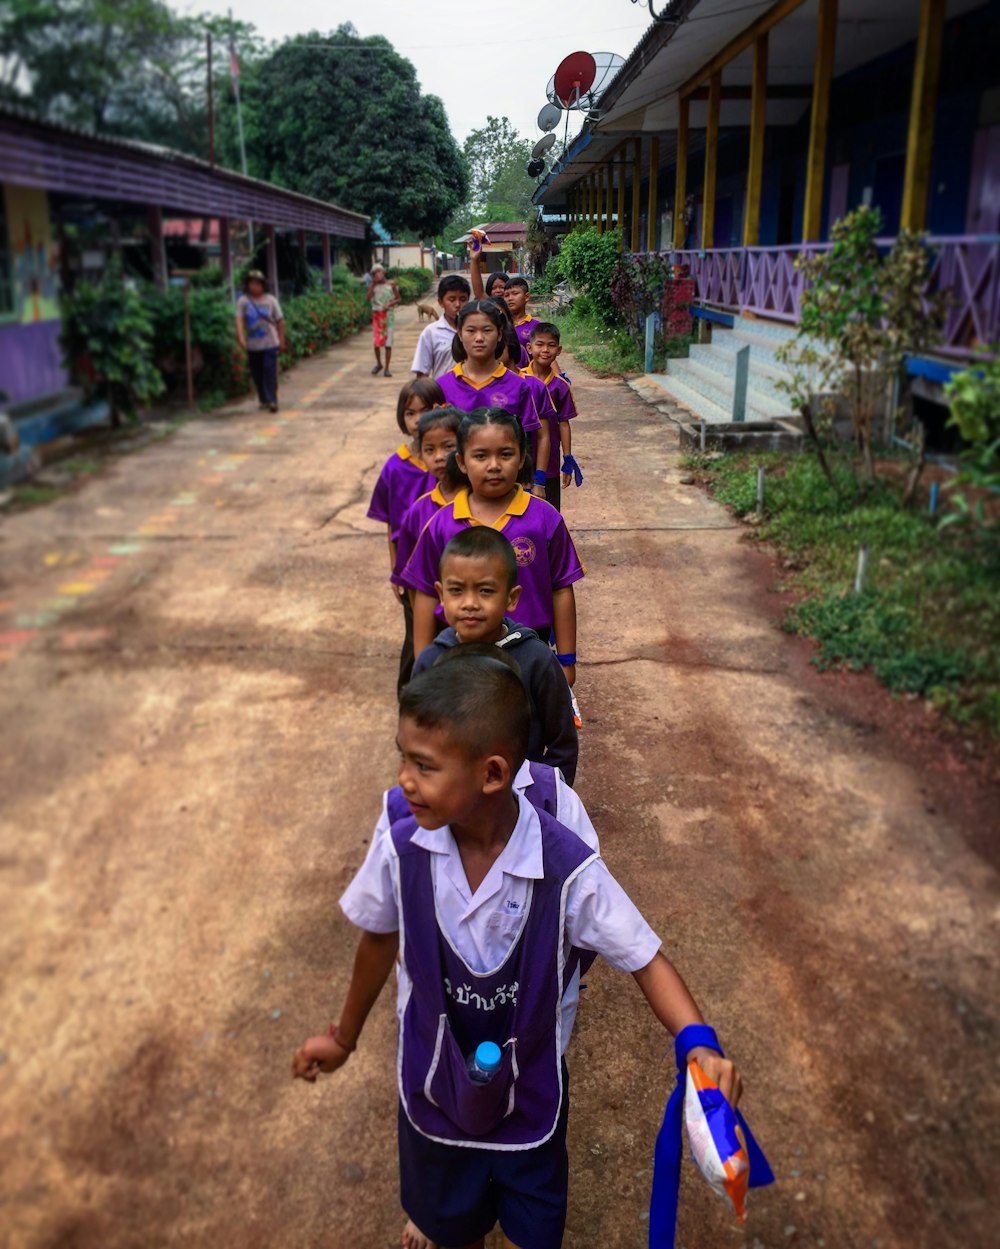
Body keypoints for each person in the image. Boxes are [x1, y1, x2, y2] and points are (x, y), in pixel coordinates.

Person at [291, 657, 743, 1249]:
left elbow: (644, 956)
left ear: (493, 773)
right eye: (403, 756)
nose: (403, 780)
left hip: (530, 1104)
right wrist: (343, 1037)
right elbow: (380, 934)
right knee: (452, 1227)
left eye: (423, 766)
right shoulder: (402, 838)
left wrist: (698, 1043)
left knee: (535, 1228)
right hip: (434, 1097)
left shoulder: (563, 865)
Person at [400, 408, 584, 680]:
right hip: (458, 650)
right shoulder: (441, 525)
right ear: (462, 462)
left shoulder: (544, 518)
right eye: (480, 455)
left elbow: (561, 588)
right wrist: (424, 665)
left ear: (522, 457)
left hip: (528, 650)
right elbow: (426, 593)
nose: (494, 465)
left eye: (506, 454)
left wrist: (566, 661)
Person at [412, 527, 578, 783]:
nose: (470, 603)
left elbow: (562, 743)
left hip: (521, 804)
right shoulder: (430, 662)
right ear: (441, 595)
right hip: (453, 799)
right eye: (456, 590)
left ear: (512, 598)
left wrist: (549, 800)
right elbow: (418, 740)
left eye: (485, 591)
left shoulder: (537, 660)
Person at [368, 379, 442, 691]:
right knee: (417, 636)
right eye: (410, 413)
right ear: (402, 417)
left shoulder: (453, 463)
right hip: (413, 570)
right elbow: (391, 525)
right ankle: (410, 697)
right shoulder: (394, 468)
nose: (417, 420)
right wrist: (395, 570)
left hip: (450, 563)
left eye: (425, 411)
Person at [436, 300, 548, 494]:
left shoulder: (518, 385)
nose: (479, 338)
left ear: (499, 335)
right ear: (460, 335)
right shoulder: (442, 386)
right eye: (471, 330)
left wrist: (535, 482)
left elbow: (528, 439)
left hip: (506, 487)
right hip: (455, 490)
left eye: (487, 330)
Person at [392, 408, 464, 601]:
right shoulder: (419, 511)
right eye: (429, 450)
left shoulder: (483, 501)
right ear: (421, 454)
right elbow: (411, 577)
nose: (439, 456)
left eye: (448, 446)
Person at [522, 323, 580, 512]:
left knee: (549, 508)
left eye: (551, 345)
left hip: (550, 460)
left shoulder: (560, 385)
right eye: (539, 344)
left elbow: (564, 423)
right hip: (521, 456)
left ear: (559, 350)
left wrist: (568, 458)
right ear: (529, 348)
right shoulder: (518, 380)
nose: (545, 350)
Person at [235, 269, 285, 413]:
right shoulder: (243, 301)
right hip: (253, 345)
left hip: (270, 342)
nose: (254, 286)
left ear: (263, 285)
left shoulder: (271, 300)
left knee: (270, 371)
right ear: (247, 285)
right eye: (251, 283)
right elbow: (239, 320)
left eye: (257, 283)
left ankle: (273, 400)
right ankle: (263, 399)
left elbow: (280, 321)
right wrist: (240, 336)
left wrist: (281, 340)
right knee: (257, 373)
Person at [410, 275, 472, 379]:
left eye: (463, 299)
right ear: (440, 302)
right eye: (451, 299)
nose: (457, 304)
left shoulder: (477, 332)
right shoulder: (431, 332)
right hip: (442, 393)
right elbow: (422, 374)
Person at [369, 264, 401, 377]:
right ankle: (379, 363)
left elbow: (398, 298)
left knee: (388, 343)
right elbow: (368, 298)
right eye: (374, 273)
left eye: (379, 272)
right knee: (376, 342)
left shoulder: (391, 285)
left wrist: (390, 304)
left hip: (388, 317)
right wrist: (372, 284)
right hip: (377, 316)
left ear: (383, 272)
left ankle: (387, 368)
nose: (377, 275)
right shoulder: (373, 286)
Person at [503, 277, 539, 357]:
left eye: (515, 293)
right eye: (506, 295)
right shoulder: (501, 325)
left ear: (527, 297)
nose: (510, 298)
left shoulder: (536, 326)